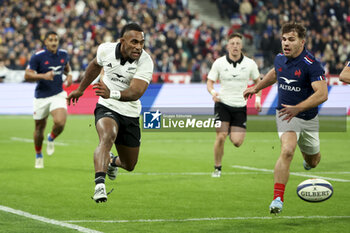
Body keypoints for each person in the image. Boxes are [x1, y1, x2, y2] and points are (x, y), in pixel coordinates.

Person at [243, 22, 328, 214]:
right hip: (285, 115)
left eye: (291, 39)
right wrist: (256, 88)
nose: (286, 43)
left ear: (302, 42)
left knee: (313, 161)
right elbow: (275, 73)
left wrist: (298, 108)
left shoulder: (312, 65)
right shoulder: (280, 59)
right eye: (283, 39)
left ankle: (308, 159)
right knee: (288, 150)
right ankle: (277, 199)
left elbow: (322, 94)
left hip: (307, 117)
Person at [66, 23, 154, 203]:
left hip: (130, 112)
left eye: (142, 43)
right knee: (107, 136)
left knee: (129, 165)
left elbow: (136, 92)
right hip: (106, 106)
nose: (138, 46)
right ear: (122, 41)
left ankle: (113, 162)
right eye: (134, 42)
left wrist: (111, 93)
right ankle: (99, 185)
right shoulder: (105, 50)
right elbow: (94, 65)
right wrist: (81, 89)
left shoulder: (145, 61)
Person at [207, 32, 261, 178]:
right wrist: (213, 92)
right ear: (227, 46)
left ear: (242, 46)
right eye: (232, 43)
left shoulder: (250, 64)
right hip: (222, 103)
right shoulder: (219, 63)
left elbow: (258, 83)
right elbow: (210, 82)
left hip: (240, 106)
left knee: (237, 142)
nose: (235, 46)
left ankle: (231, 128)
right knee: (221, 136)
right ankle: (217, 168)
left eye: (238, 43)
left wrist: (257, 99)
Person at [24, 31, 73, 169]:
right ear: (45, 42)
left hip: (57, 94)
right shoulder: (37, 57)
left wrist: (69, 76)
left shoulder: (63, 54)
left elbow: (66, 68)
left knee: (60, 123)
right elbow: (27, 75)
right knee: (39, 128)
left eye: (55, 40)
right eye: (50, 40)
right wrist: (43, 76)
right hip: (41, 97)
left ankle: (51, 137)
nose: (53, 42)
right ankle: (38, 154)